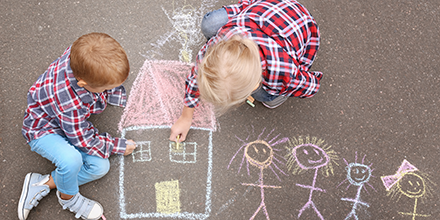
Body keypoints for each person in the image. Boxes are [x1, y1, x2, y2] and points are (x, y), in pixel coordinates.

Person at [18, 32, 136, 220]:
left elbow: (96, 53)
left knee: (100, 167)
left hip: (67, 123)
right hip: (43, 130)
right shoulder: (69, 103)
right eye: (105, 88)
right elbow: (82, 139)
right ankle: (68, 197)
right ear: (83, 83)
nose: (109, 91)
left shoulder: (79, 56)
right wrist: (117, 146)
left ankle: (42, 183)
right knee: (72, 160)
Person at [170, 0, 323, 142]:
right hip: (271, 9)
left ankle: (274, 96)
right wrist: (186, 117)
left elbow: (311, 86)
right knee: (209, 24)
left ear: (255, 84)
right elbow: (197, 75)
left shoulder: (283, 72)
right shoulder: (221, 42)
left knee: (266, 95)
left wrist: (287, 87)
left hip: (303, 27)